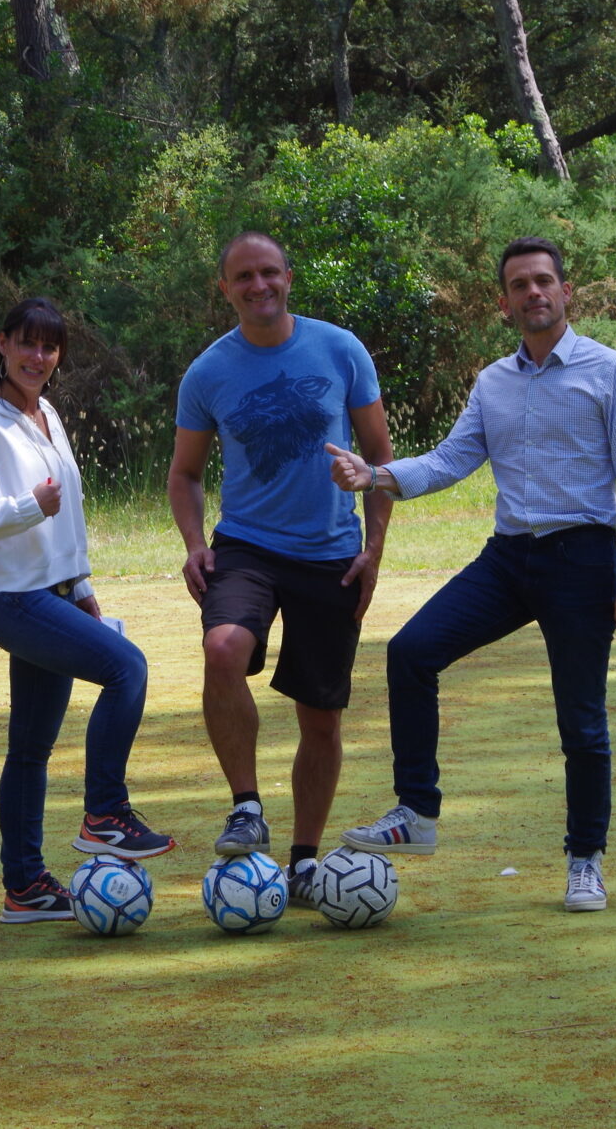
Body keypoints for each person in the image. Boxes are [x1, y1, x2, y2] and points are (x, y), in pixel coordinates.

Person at [326, 236, 616, 913]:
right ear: (505, 302)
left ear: (566, 292)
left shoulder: (608, 371)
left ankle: (585, 861)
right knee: (410, 651)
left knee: (581, 720)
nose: (534, 293)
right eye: (520, 285)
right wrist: (376, 475)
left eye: (544, 281)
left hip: (582, 561)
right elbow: (450, 460)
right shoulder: (494, 381)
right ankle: (417, 814)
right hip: (508, 560)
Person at [168, 231, 395, 904]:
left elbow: (381, 460)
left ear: (289, 277)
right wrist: (192, 542)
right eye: (244, 277)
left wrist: (374, 549)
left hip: (331, 555)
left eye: (269, 273)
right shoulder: (208, 372)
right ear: (225, 288)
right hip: (246, 547)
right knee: (222, 647)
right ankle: (245, 805)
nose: (258, 286)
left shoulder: (340, 349)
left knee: (320, 717)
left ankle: (302, 861)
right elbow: (184, 474)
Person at [0, 298, 175, 923]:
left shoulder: (44, 414)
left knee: (31, 750)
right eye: (27, 344)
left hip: (56, 592)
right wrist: (23, 507)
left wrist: (83, 583)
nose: (38, 357)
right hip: (12, 600)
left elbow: (66, 511)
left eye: (49, 347)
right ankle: (104, 815)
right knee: (128, 669)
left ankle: (26, 888)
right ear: (3, 345)